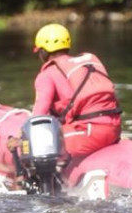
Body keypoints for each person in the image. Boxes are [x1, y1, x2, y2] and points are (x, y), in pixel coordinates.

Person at [27, 23, 122, 158]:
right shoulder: (82, 65)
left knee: (37, 143)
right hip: (114, 129)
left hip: (88, 136)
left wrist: (20, 139)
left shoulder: (46, 75)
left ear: (43, 51)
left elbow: (37, 118)